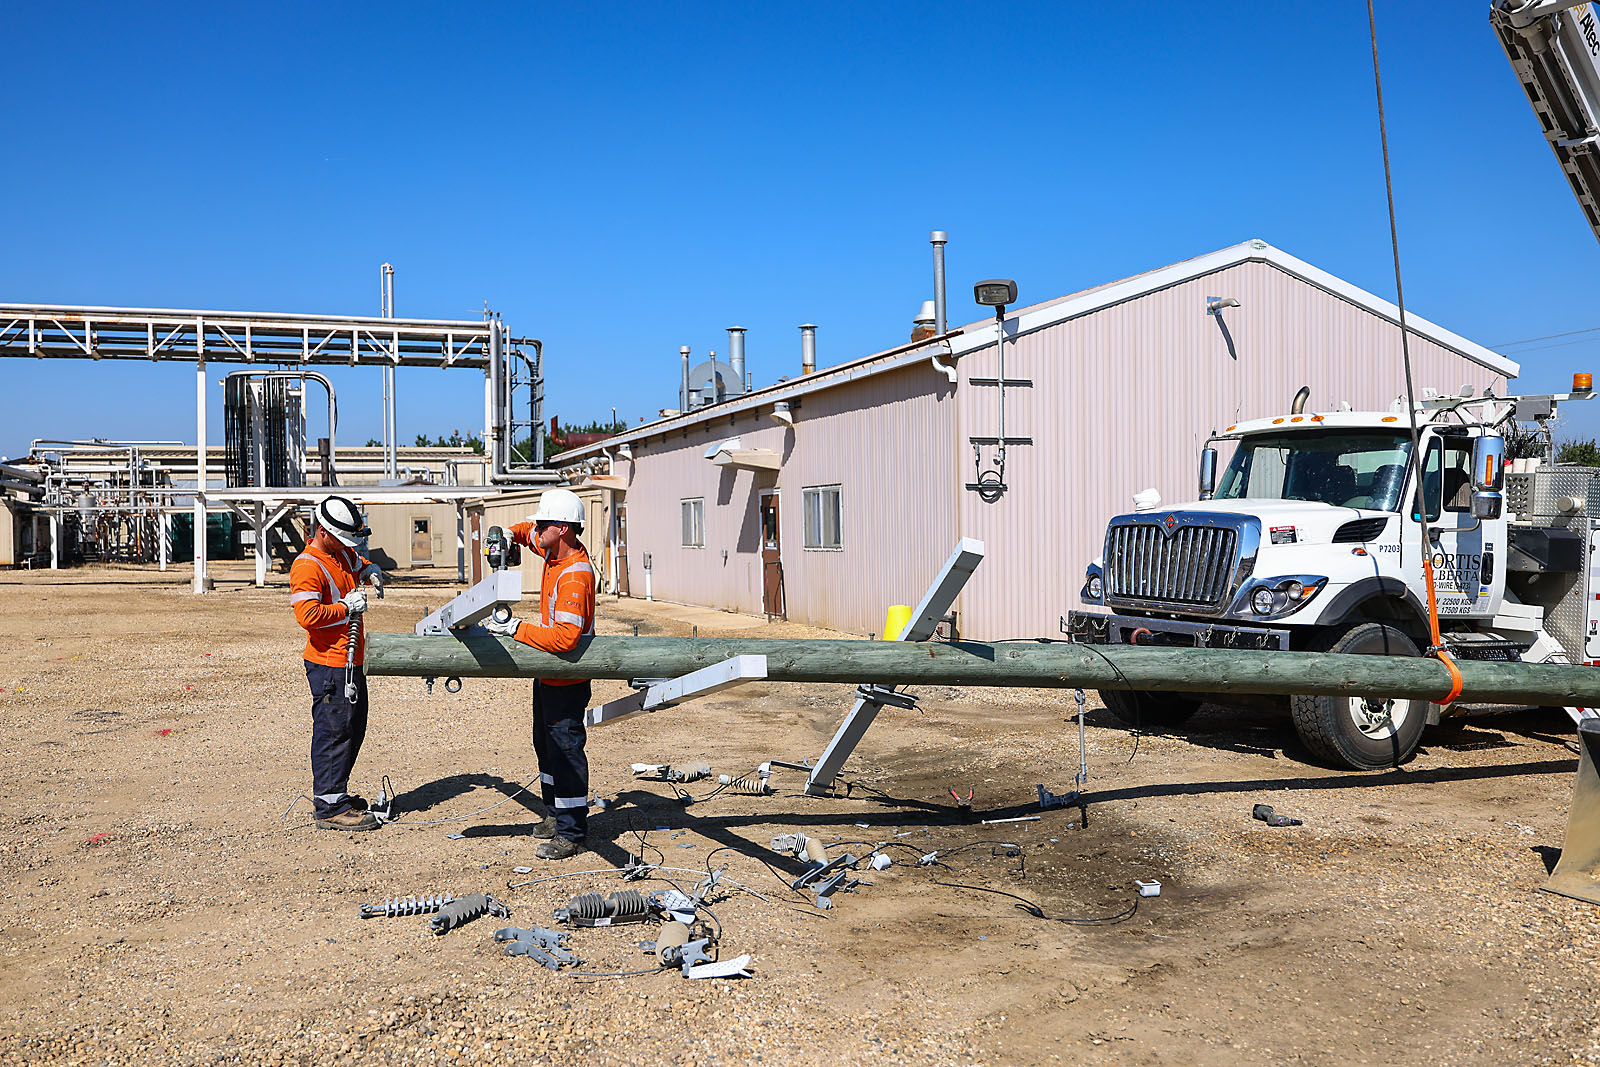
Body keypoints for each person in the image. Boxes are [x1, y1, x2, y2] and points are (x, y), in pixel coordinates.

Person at [480, 488, 596, 860]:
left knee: (565, 751)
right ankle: (553, 813)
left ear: (562, 528)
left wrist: (515, 628)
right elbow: (524, 530)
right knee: (544, 746)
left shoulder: (575, 575)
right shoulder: (552, 548)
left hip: (568, 677)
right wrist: (506, 535)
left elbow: (565, 638)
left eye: (543, 523)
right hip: (547, 673)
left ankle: (572, 831)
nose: (537, 528)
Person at [290, 495, 386, 831]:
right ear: (322, 532)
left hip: (350, 660)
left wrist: (371, 570)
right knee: (334, 731)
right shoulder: (307, 565)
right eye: (341, 539)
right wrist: (346, 608)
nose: (348, 546)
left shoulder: (340, 552)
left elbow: (357, 561)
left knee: (352, 728)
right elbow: (308, 615)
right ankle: (330, 805)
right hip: (329, 664)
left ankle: (337, 794)